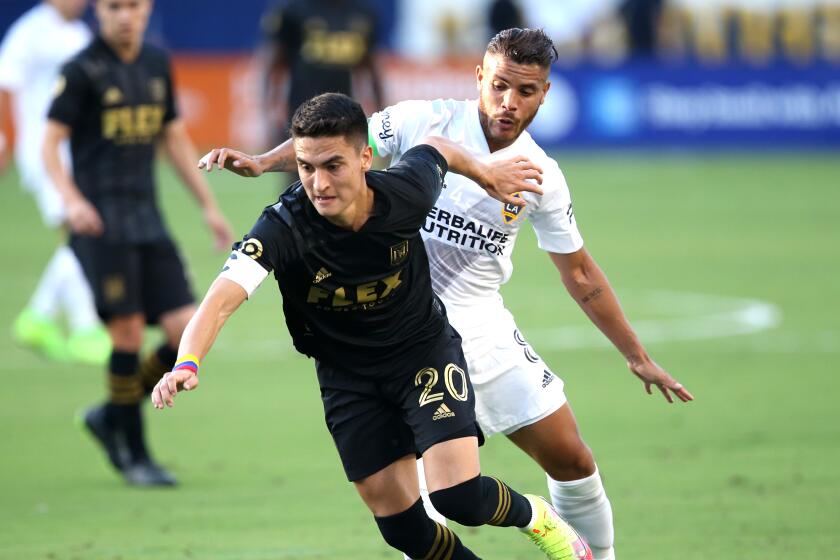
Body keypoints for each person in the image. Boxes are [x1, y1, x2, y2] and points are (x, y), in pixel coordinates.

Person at [200, 28, 695, 560]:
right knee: (426, 511)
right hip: (395, 334)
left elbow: (580, 274)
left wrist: (636, 357)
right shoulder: (423, 120)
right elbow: (337, 141)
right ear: (479, 76)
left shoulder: (542, 175)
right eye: (500, 85)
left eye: (525, 92)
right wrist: (261, 162)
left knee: (572, 459)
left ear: (545, 93)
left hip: (481, 331)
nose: (508, 103)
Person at [154, 92, 592, 560]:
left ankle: (539, 519)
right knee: (406, 532)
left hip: (420, 353)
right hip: (347, 377)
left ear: (365, 158)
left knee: (456, 496)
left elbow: (439, 148)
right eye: (305, 167)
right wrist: (188, 360)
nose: (318, 184)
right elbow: (222, 298)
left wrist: (485, 174)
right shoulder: (283, 226)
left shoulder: (405, 193)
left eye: (332, 166)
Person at [43, 0, 233, 486]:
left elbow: (172, 136)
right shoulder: (81, 70)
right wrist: (71, 200)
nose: (125, 16)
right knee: (126, 333)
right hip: (100, 226)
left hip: (148, 219)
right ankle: (134, 454)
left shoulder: (154, 63)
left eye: (133, 6)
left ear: (146, 10)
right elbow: (49, 143)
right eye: (113, 7)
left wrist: (208, 206)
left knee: (182, 328)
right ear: (98, 13)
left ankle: (111, 412)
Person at [0, 0, 111, 365]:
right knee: (81, 233)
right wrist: (5, 139)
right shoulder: (29, 33)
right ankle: (83, 326)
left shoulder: (79, 35)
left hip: (76, 151)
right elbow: (6, 85)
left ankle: (40, 316)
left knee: (82, 234)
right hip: (43, 152)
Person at [260, 0, 383, 145]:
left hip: (343, 117)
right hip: (300, 116)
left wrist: (381, 121)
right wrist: (270, 117)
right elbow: (273, 65)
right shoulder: (293, 10)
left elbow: (370, 70)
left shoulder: (362, 14)